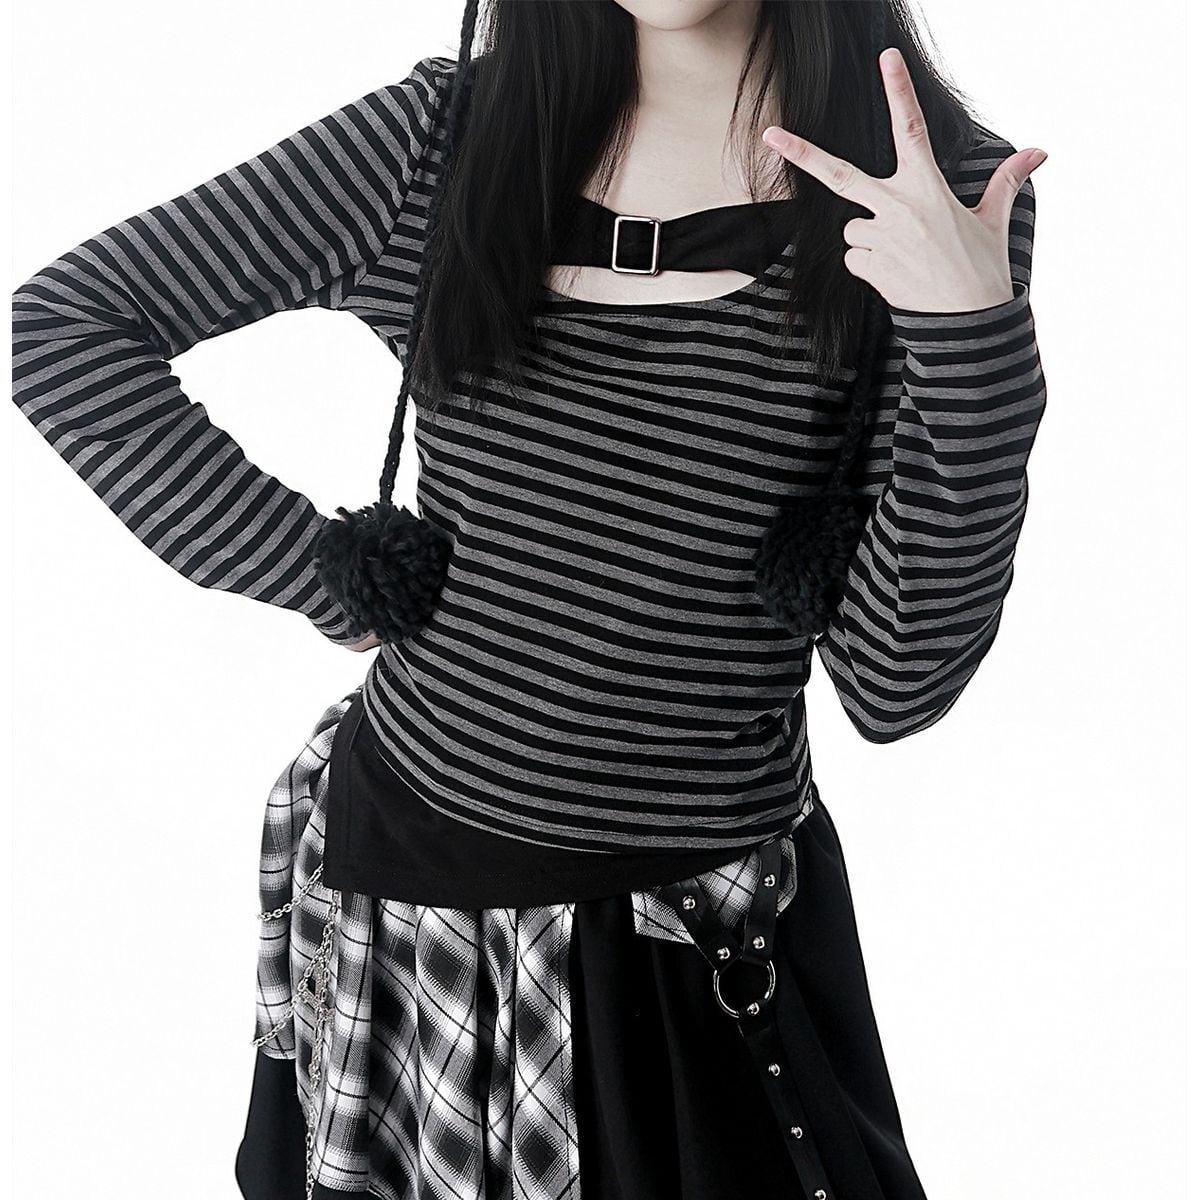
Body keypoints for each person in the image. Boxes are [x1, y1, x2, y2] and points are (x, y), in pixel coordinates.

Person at [10, 2, 1048, 1198]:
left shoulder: (933, 191)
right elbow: (67, 327)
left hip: (696, 940)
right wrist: (322, 570)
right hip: (414, 909)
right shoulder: (442, 142)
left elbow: (896, 681)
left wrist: (972, 343)